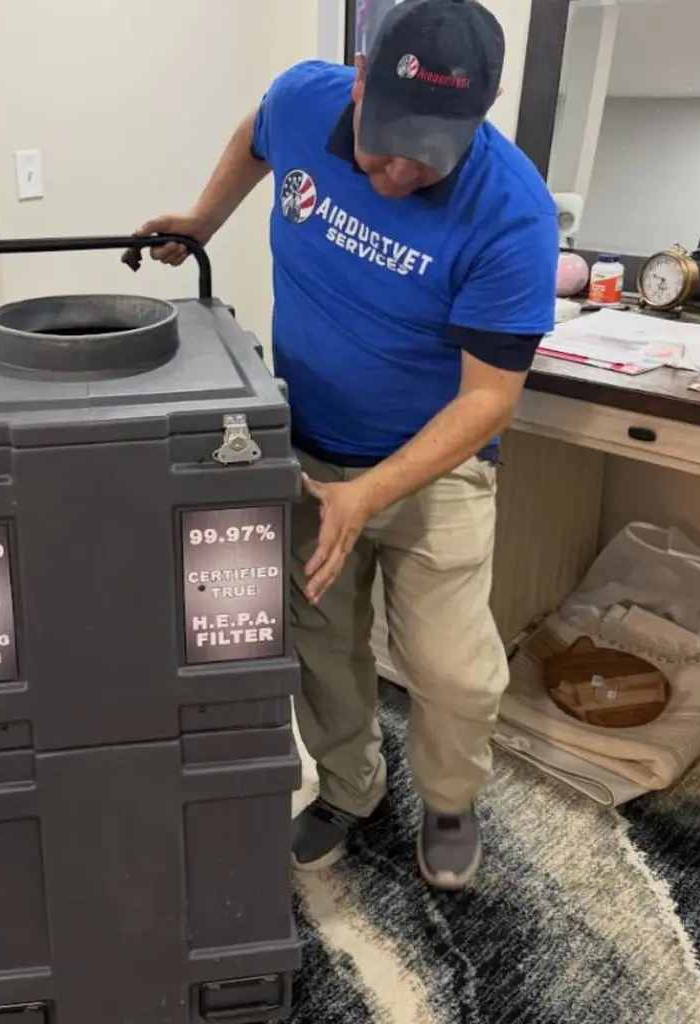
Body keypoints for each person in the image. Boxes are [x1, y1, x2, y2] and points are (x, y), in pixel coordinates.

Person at [140, 0, 558, 890]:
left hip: (431, 468)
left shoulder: (512, 214)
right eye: (386, 143)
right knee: (319, 643)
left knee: (455, 671)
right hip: (302, 449)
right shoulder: (304, 99)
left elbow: (489, 402)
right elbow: (258, 134)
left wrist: (370, 494)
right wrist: (203, 220)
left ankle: (449, 802)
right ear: (359, 82)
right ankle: (348, 787)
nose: (401, 172)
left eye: (429, 155)